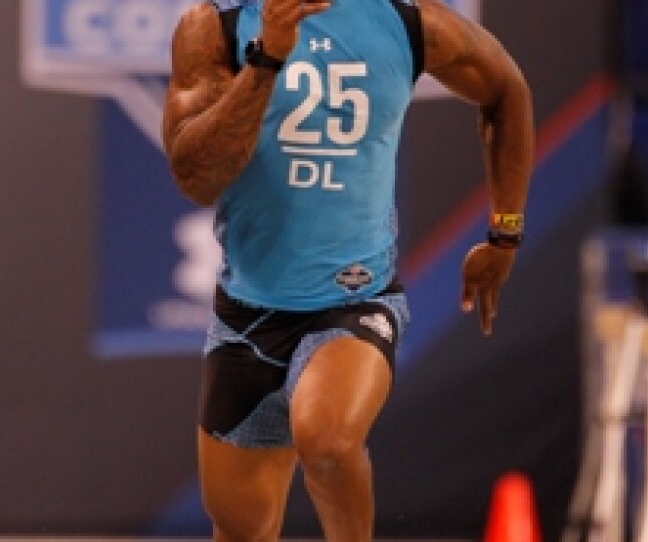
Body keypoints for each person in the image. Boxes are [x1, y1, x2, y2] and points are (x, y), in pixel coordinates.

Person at [161, 0, 534, 539]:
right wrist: (266, 59)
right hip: (246, 317)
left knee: (329, 441)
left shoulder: (410, 24)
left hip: (354, 300)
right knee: (240, 529)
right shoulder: (215, 28)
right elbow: (195, 176)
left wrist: (504, 233)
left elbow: (506, 90)